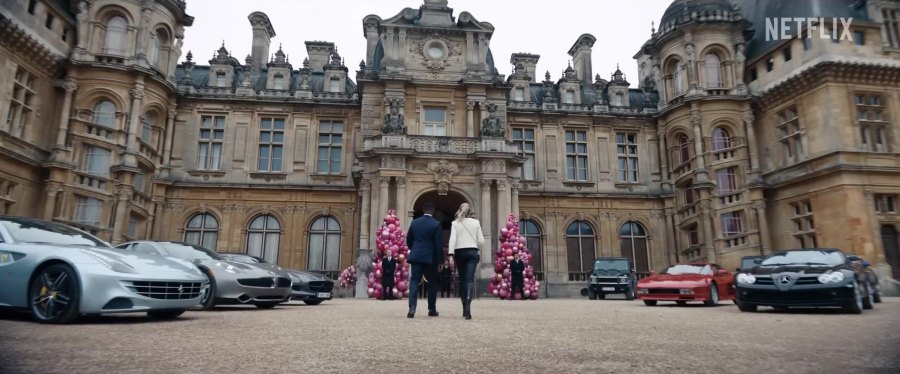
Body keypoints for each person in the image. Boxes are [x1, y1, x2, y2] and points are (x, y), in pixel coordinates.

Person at [405, 202, 444, 318]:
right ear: (433, 211)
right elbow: (438, 245)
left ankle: (412, 308)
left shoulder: (415, 223)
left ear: (423, 211)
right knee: (431, 283)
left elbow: (408, 240)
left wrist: (415, 249)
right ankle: (432, 309)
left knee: (414, 282)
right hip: (430, 258)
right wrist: (440, 261)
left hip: (416, 256)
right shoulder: (436, 224)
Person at [447, 202, 484, 320]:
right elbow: (482, 241)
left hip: (459, 252)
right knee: (469, 280)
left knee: (462, 280)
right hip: (472, 252)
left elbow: (452, 239)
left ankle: (464, 308)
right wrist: (475, 245)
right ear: (470, 212)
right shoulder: (476, 222)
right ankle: (468, 306)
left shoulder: (455, 223)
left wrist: (450, 254)